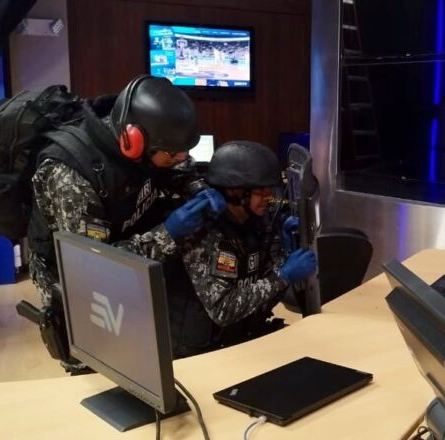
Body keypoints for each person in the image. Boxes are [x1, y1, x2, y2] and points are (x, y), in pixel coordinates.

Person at [27, 74, 224, 372]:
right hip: (80, 287)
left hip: (128, 256)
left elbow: (180, 170)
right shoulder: (69, 177)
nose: (181, 158)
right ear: (133, 141)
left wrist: (200, 191)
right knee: (101, 370)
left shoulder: (157, 142)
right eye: (172, 154)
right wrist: (169, 233)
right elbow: (96, 269)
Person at [120, 141, 318, 358]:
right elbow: (224, 309)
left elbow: (260, 296)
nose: (268, 195)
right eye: (260, 190)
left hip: (239, 345)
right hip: (196, 359)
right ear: (235, 191)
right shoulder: (204, 232)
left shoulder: (255, 223)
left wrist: (284, 257)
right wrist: (284, 275)